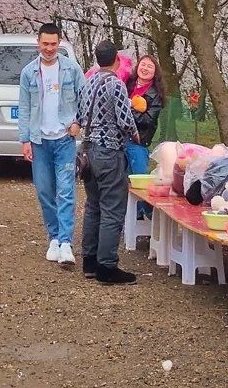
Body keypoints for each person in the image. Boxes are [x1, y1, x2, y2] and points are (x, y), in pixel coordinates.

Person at [17, 23, 85, 268]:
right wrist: (24, 139)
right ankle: (54, 237)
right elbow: (24, 108)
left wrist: (79, 122)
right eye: (45, 44)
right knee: (44, 191)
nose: (49, 48)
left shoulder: (70, 69)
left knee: (66, 191)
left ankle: (66, 242)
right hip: (39, 141)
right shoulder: (28, 73)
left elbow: (84, 97)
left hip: (64, 140)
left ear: (59, 43)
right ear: (38, 43)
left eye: (53, 44)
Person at [78, 40, 140, 284]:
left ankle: (89, 261)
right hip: (109, 152)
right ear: (116, 59)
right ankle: (107, 266)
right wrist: (135, 134)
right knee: (112, 209)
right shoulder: (116, 84)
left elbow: (81, 115)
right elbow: (125, 119)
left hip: (88, 152)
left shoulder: (89, 81)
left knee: (93, 206)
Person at [125, 56, 164, 219]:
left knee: (140, 181)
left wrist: (128, 108)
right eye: (143, 64)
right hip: (120, 139)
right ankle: (128, 218)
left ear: (155, 73)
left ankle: (145, 216)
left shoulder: (155, 94)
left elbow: (148, 120)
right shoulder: (127, 84)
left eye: (150, 66)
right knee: (123, 180)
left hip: (138, 141)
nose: (145, 68)